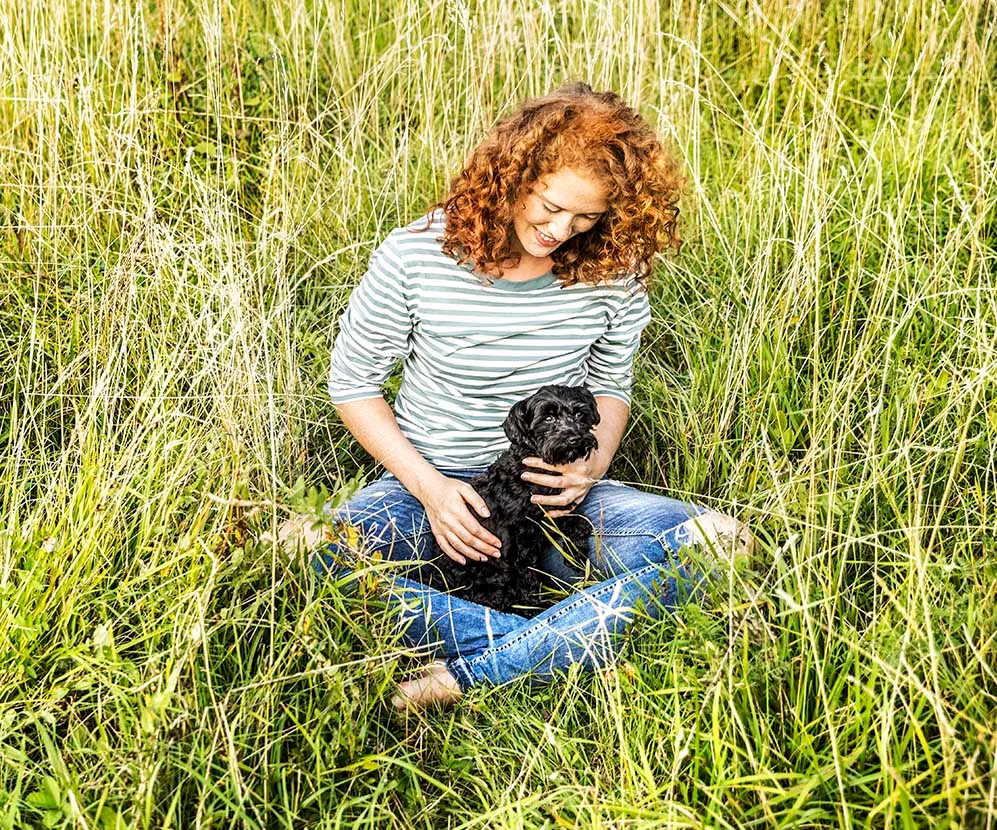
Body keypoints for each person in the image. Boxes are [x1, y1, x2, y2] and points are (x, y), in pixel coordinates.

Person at [299, 83, 753, 710]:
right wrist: (432, 491)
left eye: (587, 217)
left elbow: (611, 386)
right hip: (428, 483)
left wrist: (591, 467)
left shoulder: (613, 275)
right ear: (514, 174)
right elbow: (353, 386)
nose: (561, 231)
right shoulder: (415, 254)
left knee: (721, 545)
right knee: (307, 554)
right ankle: (560, 646)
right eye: (550, 205)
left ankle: (463, 676)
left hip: (553, 497)